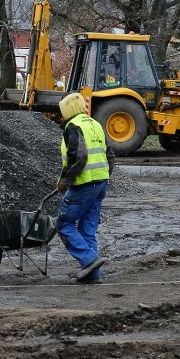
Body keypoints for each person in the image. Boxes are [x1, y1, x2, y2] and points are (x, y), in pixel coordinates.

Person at [55, 92, 115, 284]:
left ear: (67, 110)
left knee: (64, 224)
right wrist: (103, 176)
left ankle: (89, 260)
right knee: (87, 230)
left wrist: (64, 181)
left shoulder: (73, 127)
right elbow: (110, 156)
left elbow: (77, 157)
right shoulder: (95, 124)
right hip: (100, 184)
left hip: (83, 185)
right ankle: (93, 275)